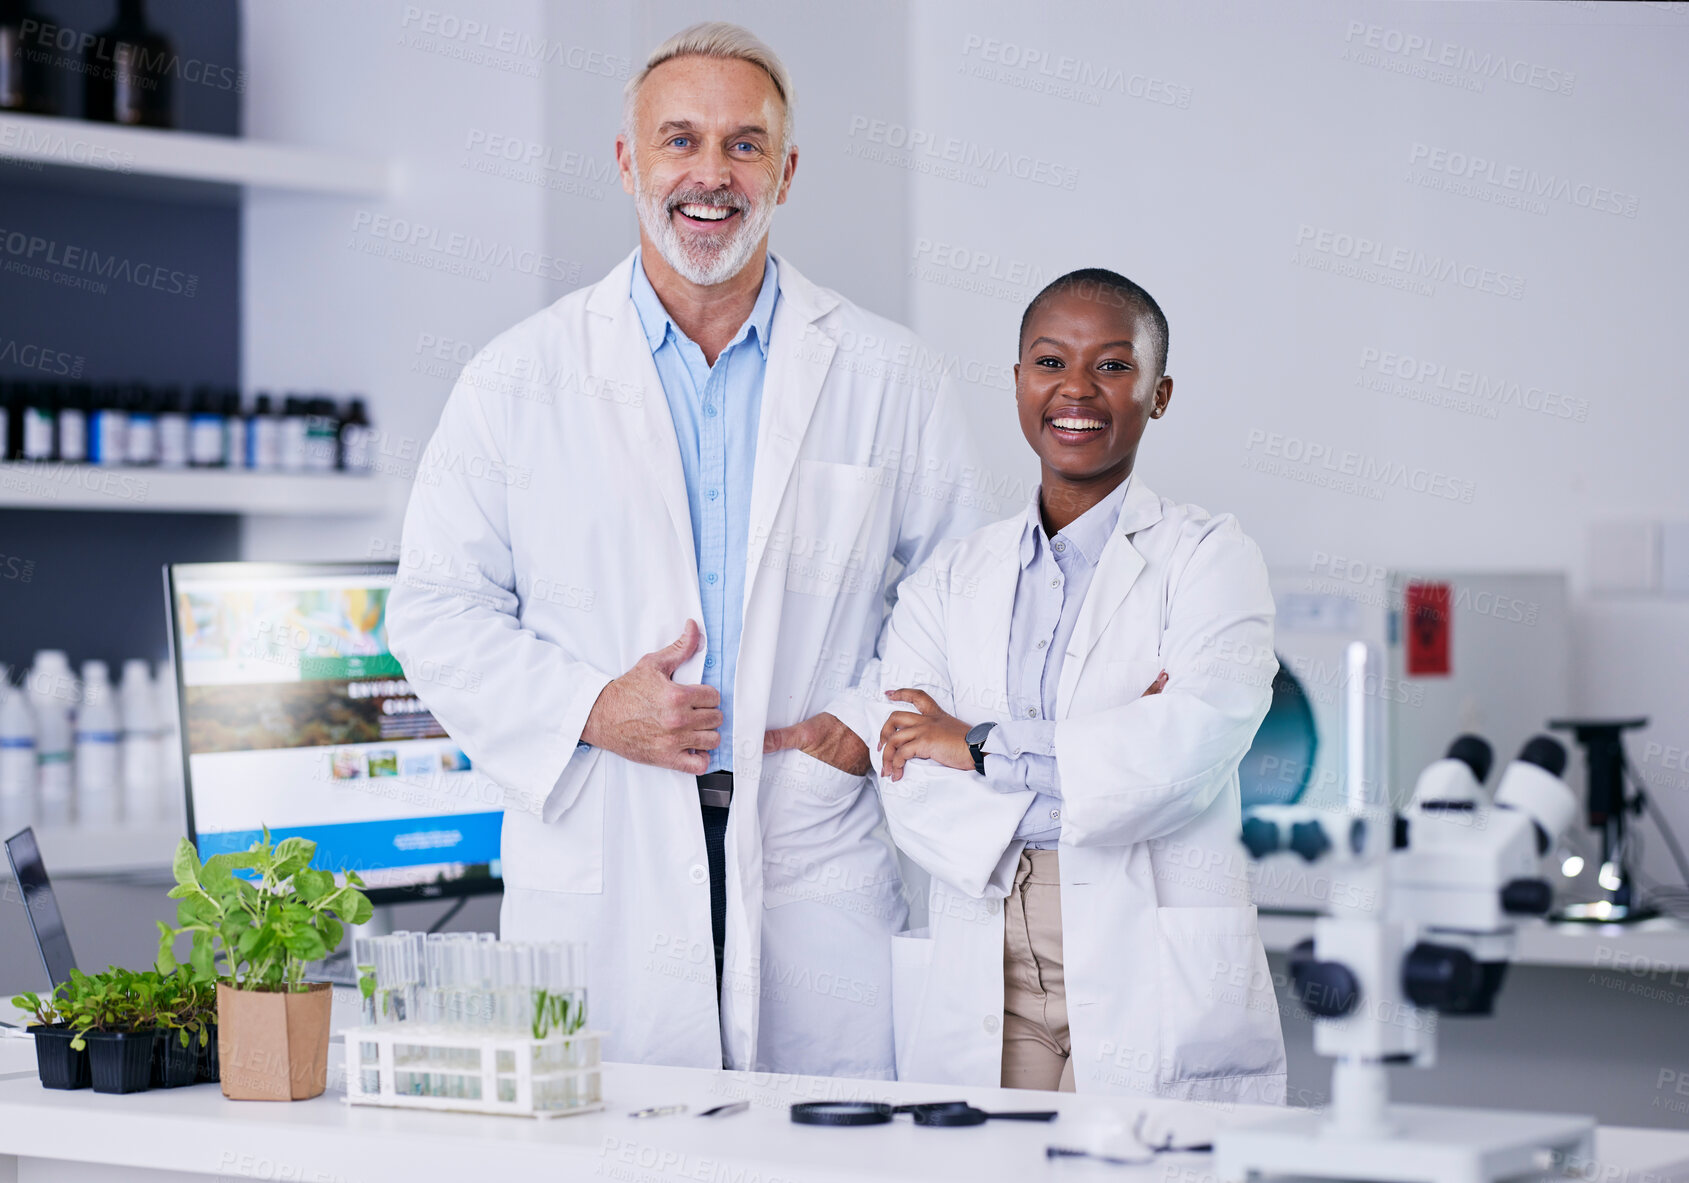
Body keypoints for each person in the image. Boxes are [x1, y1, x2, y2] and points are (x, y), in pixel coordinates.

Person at [385, 23, 994, 1077]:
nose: (711, 174)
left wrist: (859, 722)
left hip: (810, 835)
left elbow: (965, 598)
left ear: (786, 173)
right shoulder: (515, 379)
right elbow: (434, 609)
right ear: (628, 163)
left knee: (823, 1153)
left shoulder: (892, 376)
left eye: (745, 145)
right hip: (603, 833)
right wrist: (589, 706)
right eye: (680, 141)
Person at [858, 268, 1287, 1100]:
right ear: (1018, 379)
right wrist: (1110, 746)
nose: (1076, 391)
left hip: (1146, 957)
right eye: (1050, 362)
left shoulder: (1210, 558)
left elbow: (1186, 749)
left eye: (1114, 366)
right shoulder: (949, 578)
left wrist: (977, 746)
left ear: (1158, 394)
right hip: (988, 935)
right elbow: (905, 770)